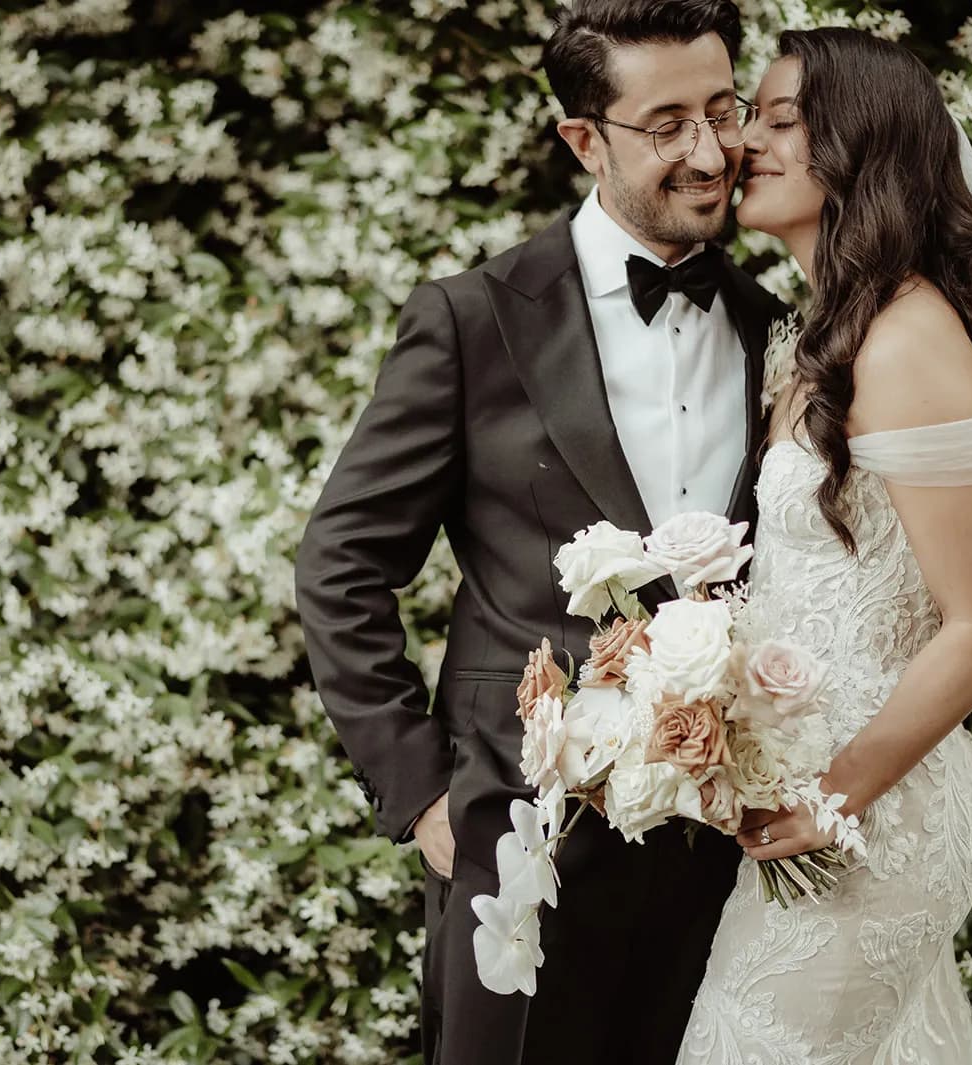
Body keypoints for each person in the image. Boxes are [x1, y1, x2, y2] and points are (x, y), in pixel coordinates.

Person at [294, 2, 786, 1061]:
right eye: (666, 124)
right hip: (520, 833)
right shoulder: (472, 320)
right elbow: (341, 565)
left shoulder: (772, 328)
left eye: (722, 109)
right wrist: (422, 789)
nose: (709, 152)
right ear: (582, 140)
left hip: (720, 850)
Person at [675, 28, 972, 1065]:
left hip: (878, 817)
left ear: (860, 146)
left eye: (781, 120)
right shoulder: (829, 332)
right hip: (820, 808)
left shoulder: (907, 338)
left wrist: (838, 790)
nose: (745, 140)